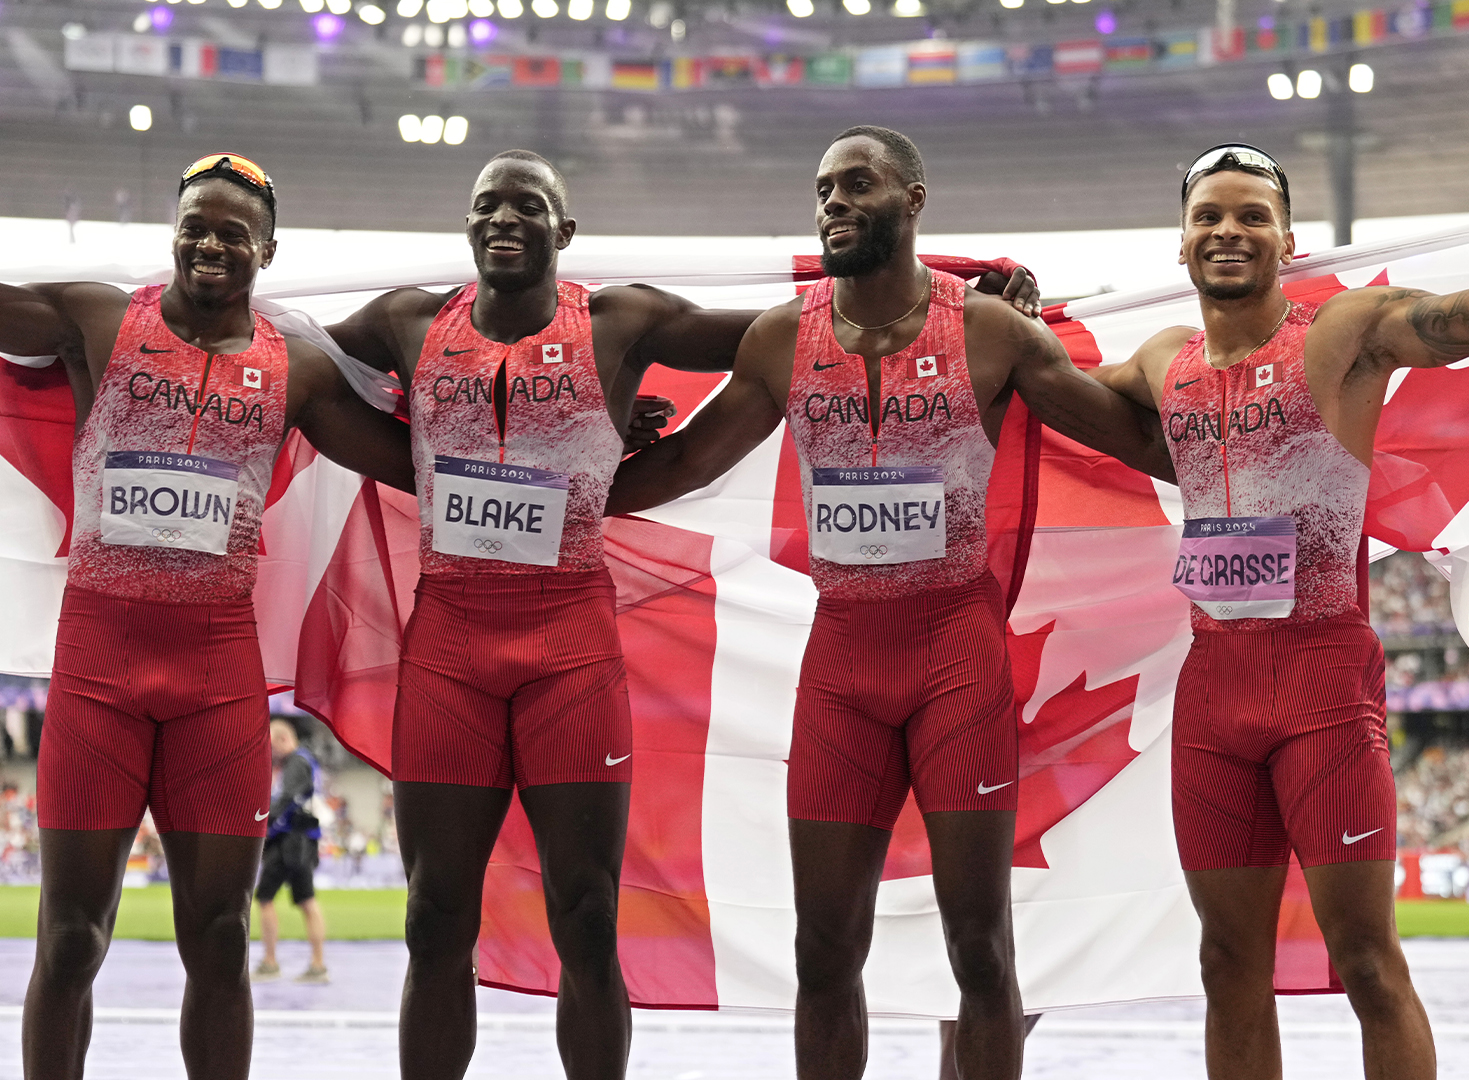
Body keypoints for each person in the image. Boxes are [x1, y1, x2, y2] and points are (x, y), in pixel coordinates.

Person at [325, 148, 1038, 1080]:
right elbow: (290, 359)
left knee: (586, 916)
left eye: (529, 204)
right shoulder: (405, 322)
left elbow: (808, 323)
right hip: (451, 645)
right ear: (464, 223)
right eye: (487, 204)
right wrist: (462, 455)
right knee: (432, 919)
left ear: (564, 231)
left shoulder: (621, 320)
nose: (505, 218)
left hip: (572, 648)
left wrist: (963, 292)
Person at [1088, 143, 1469, 1080]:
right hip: (1212, 693)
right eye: (1209, 216)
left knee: (1368, 965)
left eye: (1252, 214)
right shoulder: (1161, 362)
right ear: (1181, 244)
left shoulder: (1344, 332)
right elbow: (1046, 394)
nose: (1229, 230)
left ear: (1287, 238)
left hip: (1322, 686)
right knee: (1227, 966)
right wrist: (1010, 321)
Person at [0, 152, 416, 1080]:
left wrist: (599, 435)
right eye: (195, 226)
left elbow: (427, 465)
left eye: (232, 233)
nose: (210, 244)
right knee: (72, 937)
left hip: (216, 680)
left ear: (268, 252)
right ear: (175, 234)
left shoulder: (299, 369)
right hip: (99, 671)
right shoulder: (96, 320)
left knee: (217, 936)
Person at [604, 126, 1171, 1080]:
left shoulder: (991, 333)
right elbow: (685, 464)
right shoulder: (783, 339)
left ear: (913, 200)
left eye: (856, 184)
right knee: (824, 951)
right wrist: (572, 471)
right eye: (823, 188)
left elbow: (1131, 439)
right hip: (843, 666)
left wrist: (1250, 424)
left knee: (979, 947)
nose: (833, 202)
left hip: (955, 654)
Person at [253, 717, 330, 984]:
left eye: (272, 748)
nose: (271, 755)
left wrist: (263, 825)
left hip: (290, 840)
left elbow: (286, 799)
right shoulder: (306, 761)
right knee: (307, 900)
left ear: (284, 740)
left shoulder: (296, 762)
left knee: (265, 897)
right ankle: (318, 964)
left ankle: (270, 961)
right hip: (304, 839)